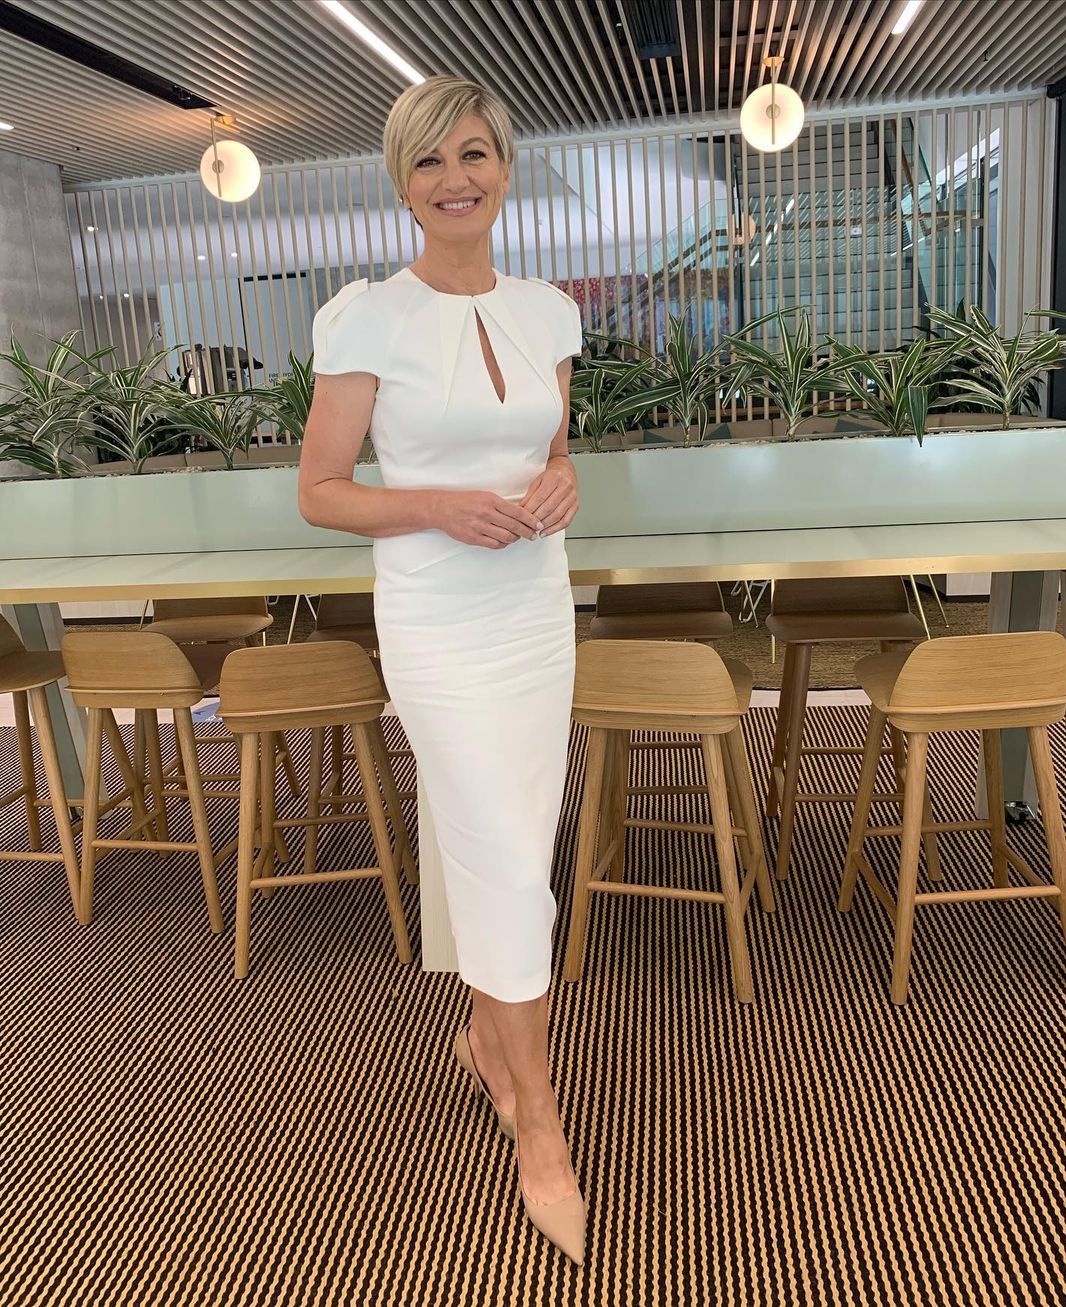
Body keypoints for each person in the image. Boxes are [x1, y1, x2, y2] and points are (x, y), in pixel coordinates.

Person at [298, 76, 585, 1265]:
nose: (453, 178)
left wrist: (564, 485)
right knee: (510, 862)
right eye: (429, 161)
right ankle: (541, 1129)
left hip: (535, 613)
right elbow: (321, 491)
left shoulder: (549, 312)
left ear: (505, 168)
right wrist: (435, 506)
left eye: (473, 154)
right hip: (437, 621)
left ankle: (482, 1040)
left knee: (510, 843)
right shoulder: (367, 317)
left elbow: (554, 453)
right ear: (402, 183)